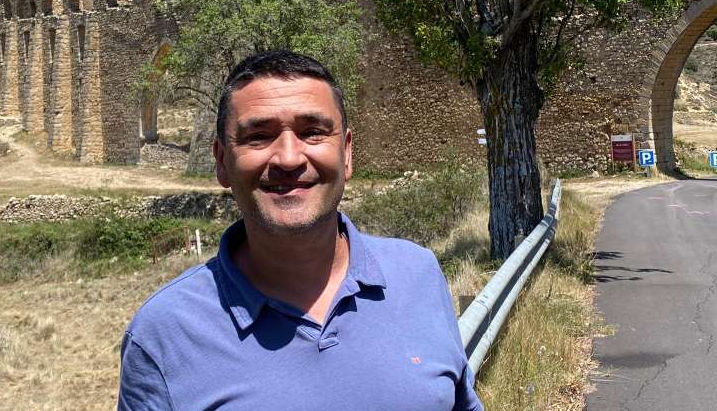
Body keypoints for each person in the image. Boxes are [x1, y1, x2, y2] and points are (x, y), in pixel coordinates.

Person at [118, 50, 483, 410]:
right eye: (258, 136)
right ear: (222, 161)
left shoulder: (418, 273)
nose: (289, 158)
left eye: (312, 132)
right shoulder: (163, 334)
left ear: (347, 153)